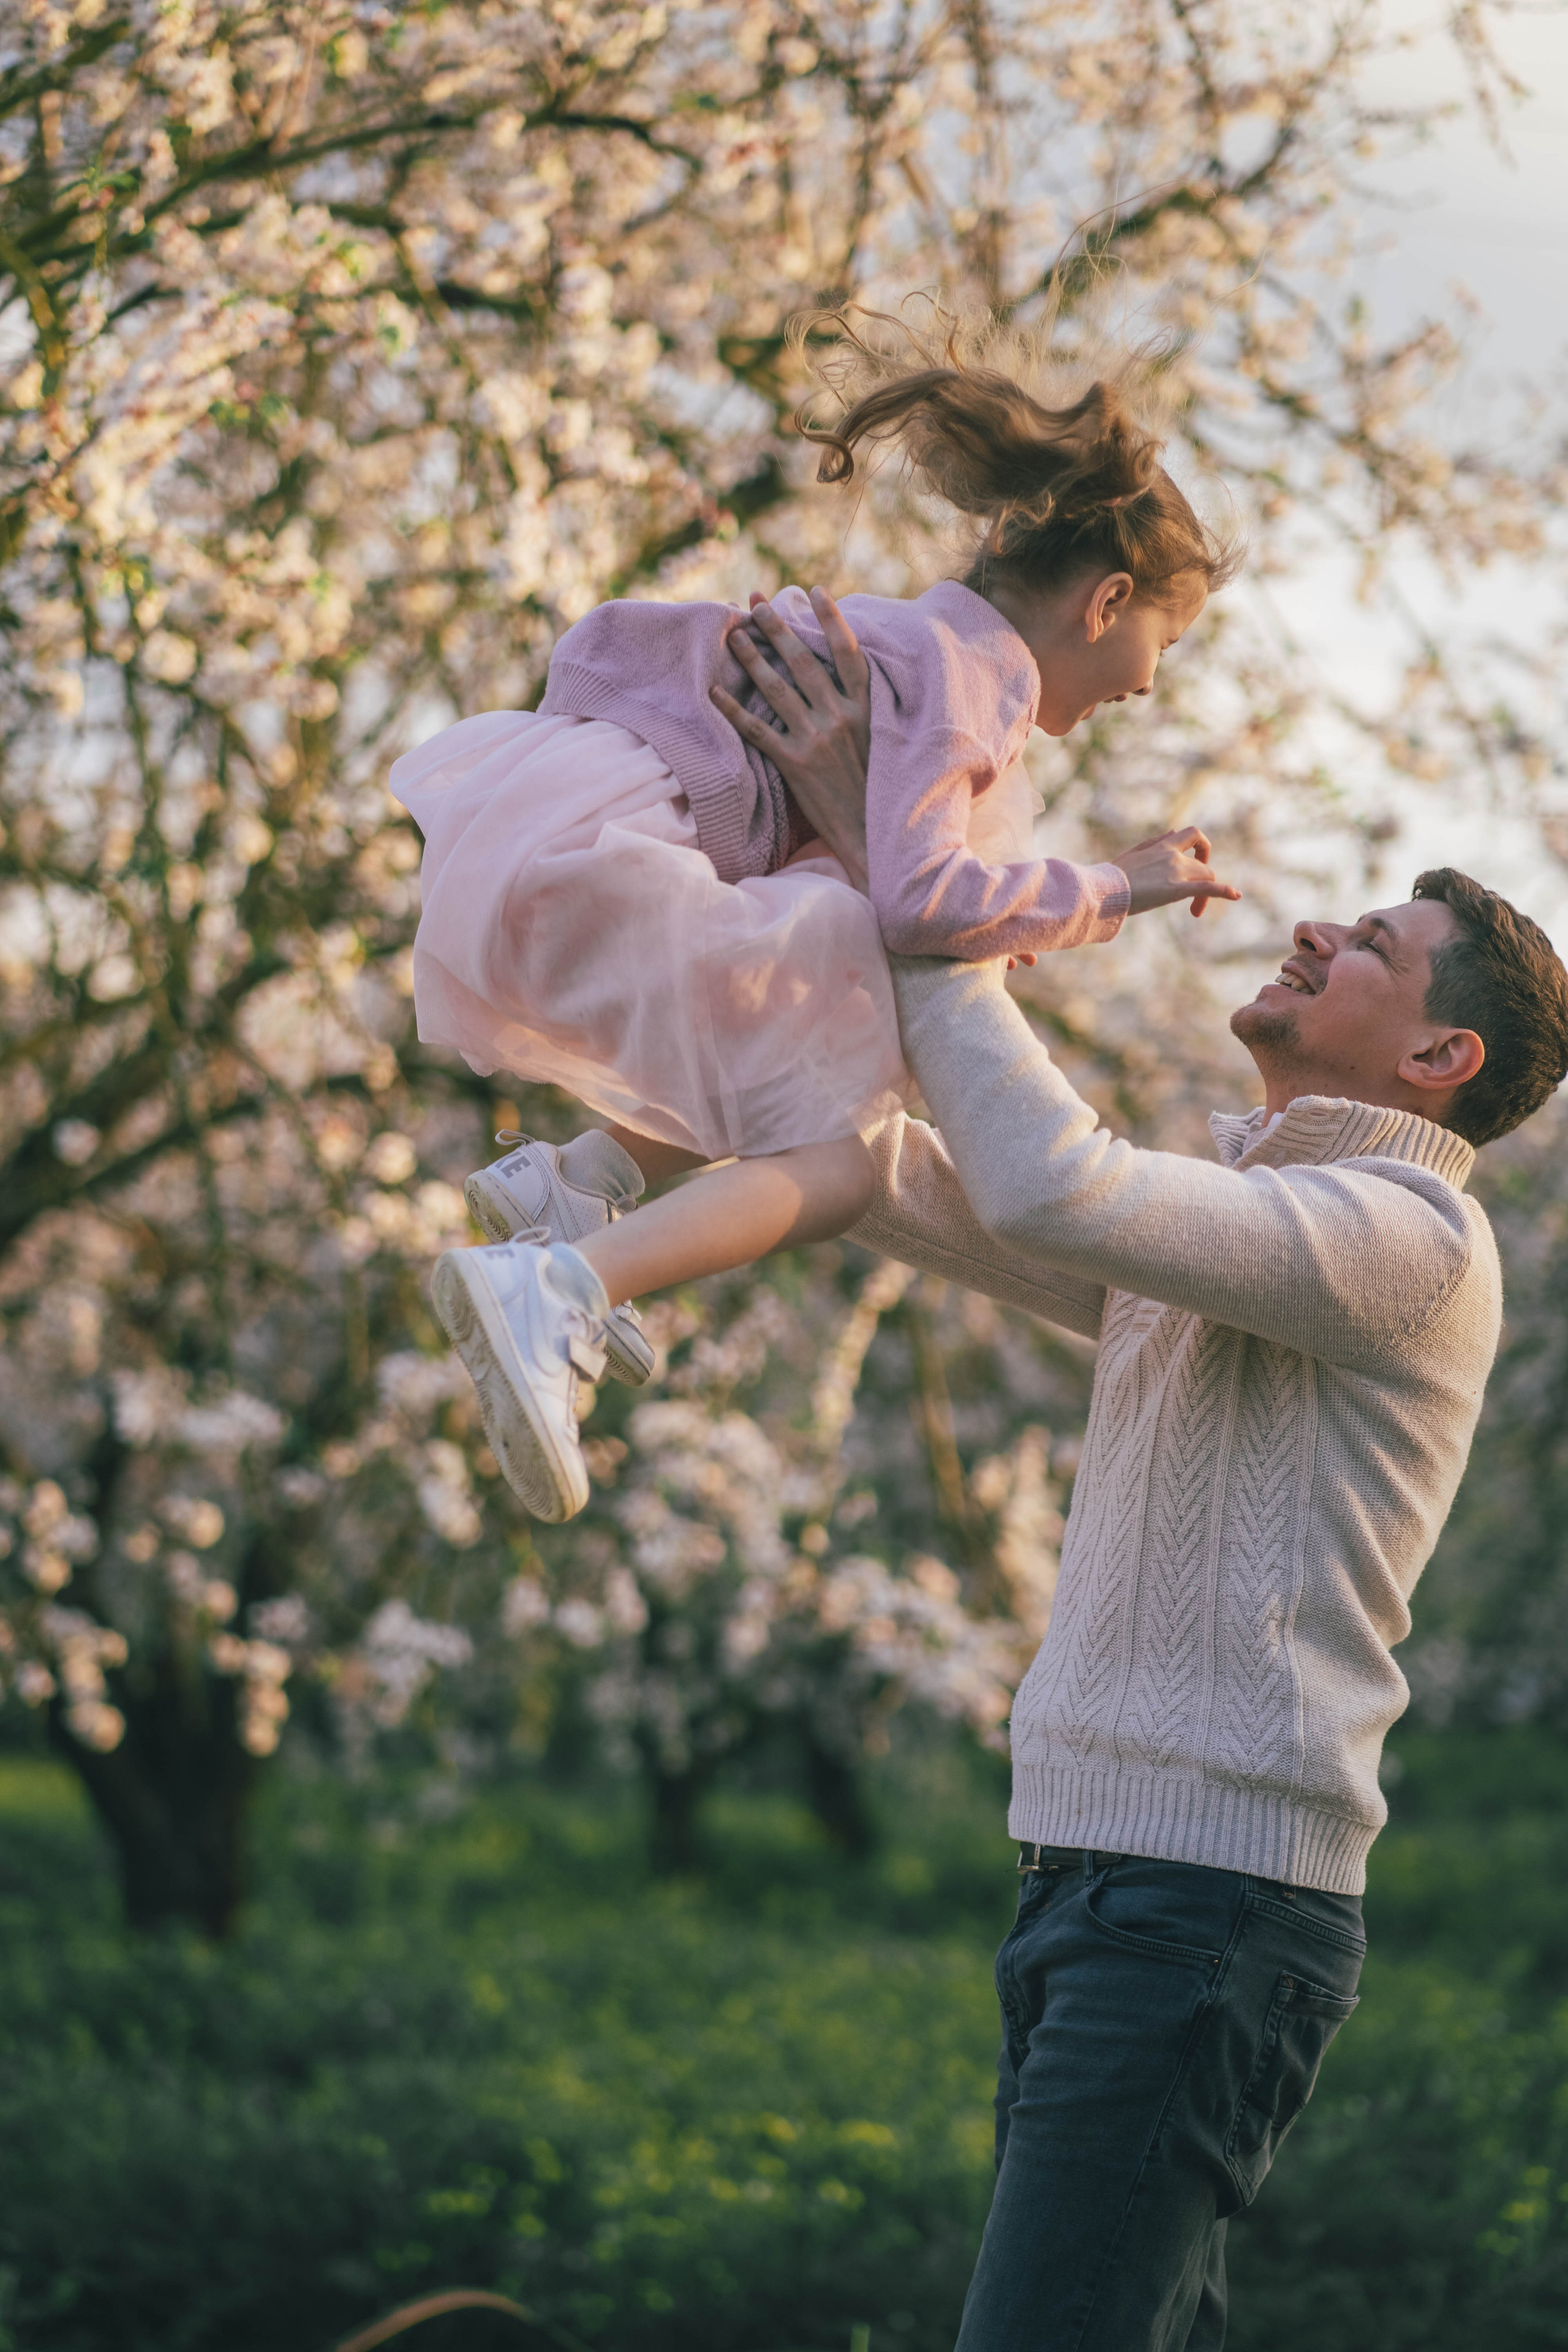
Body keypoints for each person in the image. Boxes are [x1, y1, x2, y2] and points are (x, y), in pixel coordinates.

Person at [708, 588, 1568, 2351]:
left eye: (1379, 948)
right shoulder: (1259, 1224)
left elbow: (1046, 1184)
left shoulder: (1403, 1239)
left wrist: (917, 868)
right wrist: (791, 894)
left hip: (1202, 1916)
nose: (1320, 927)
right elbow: (906, 1176)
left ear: (1438, 1060)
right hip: (1104, 1890)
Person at [393, 306, 1240, 1520]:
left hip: (572, 842)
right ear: (1104, 606)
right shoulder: (964, 699)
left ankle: (572, 1186)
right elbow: (920, 902)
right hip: (617, 863)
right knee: (843, 1153)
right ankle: (565, 1287)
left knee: (813, 1018)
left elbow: (895, 901)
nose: (1137, 696)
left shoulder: (924, 639)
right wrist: (1116, 888)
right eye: (1148, 664)